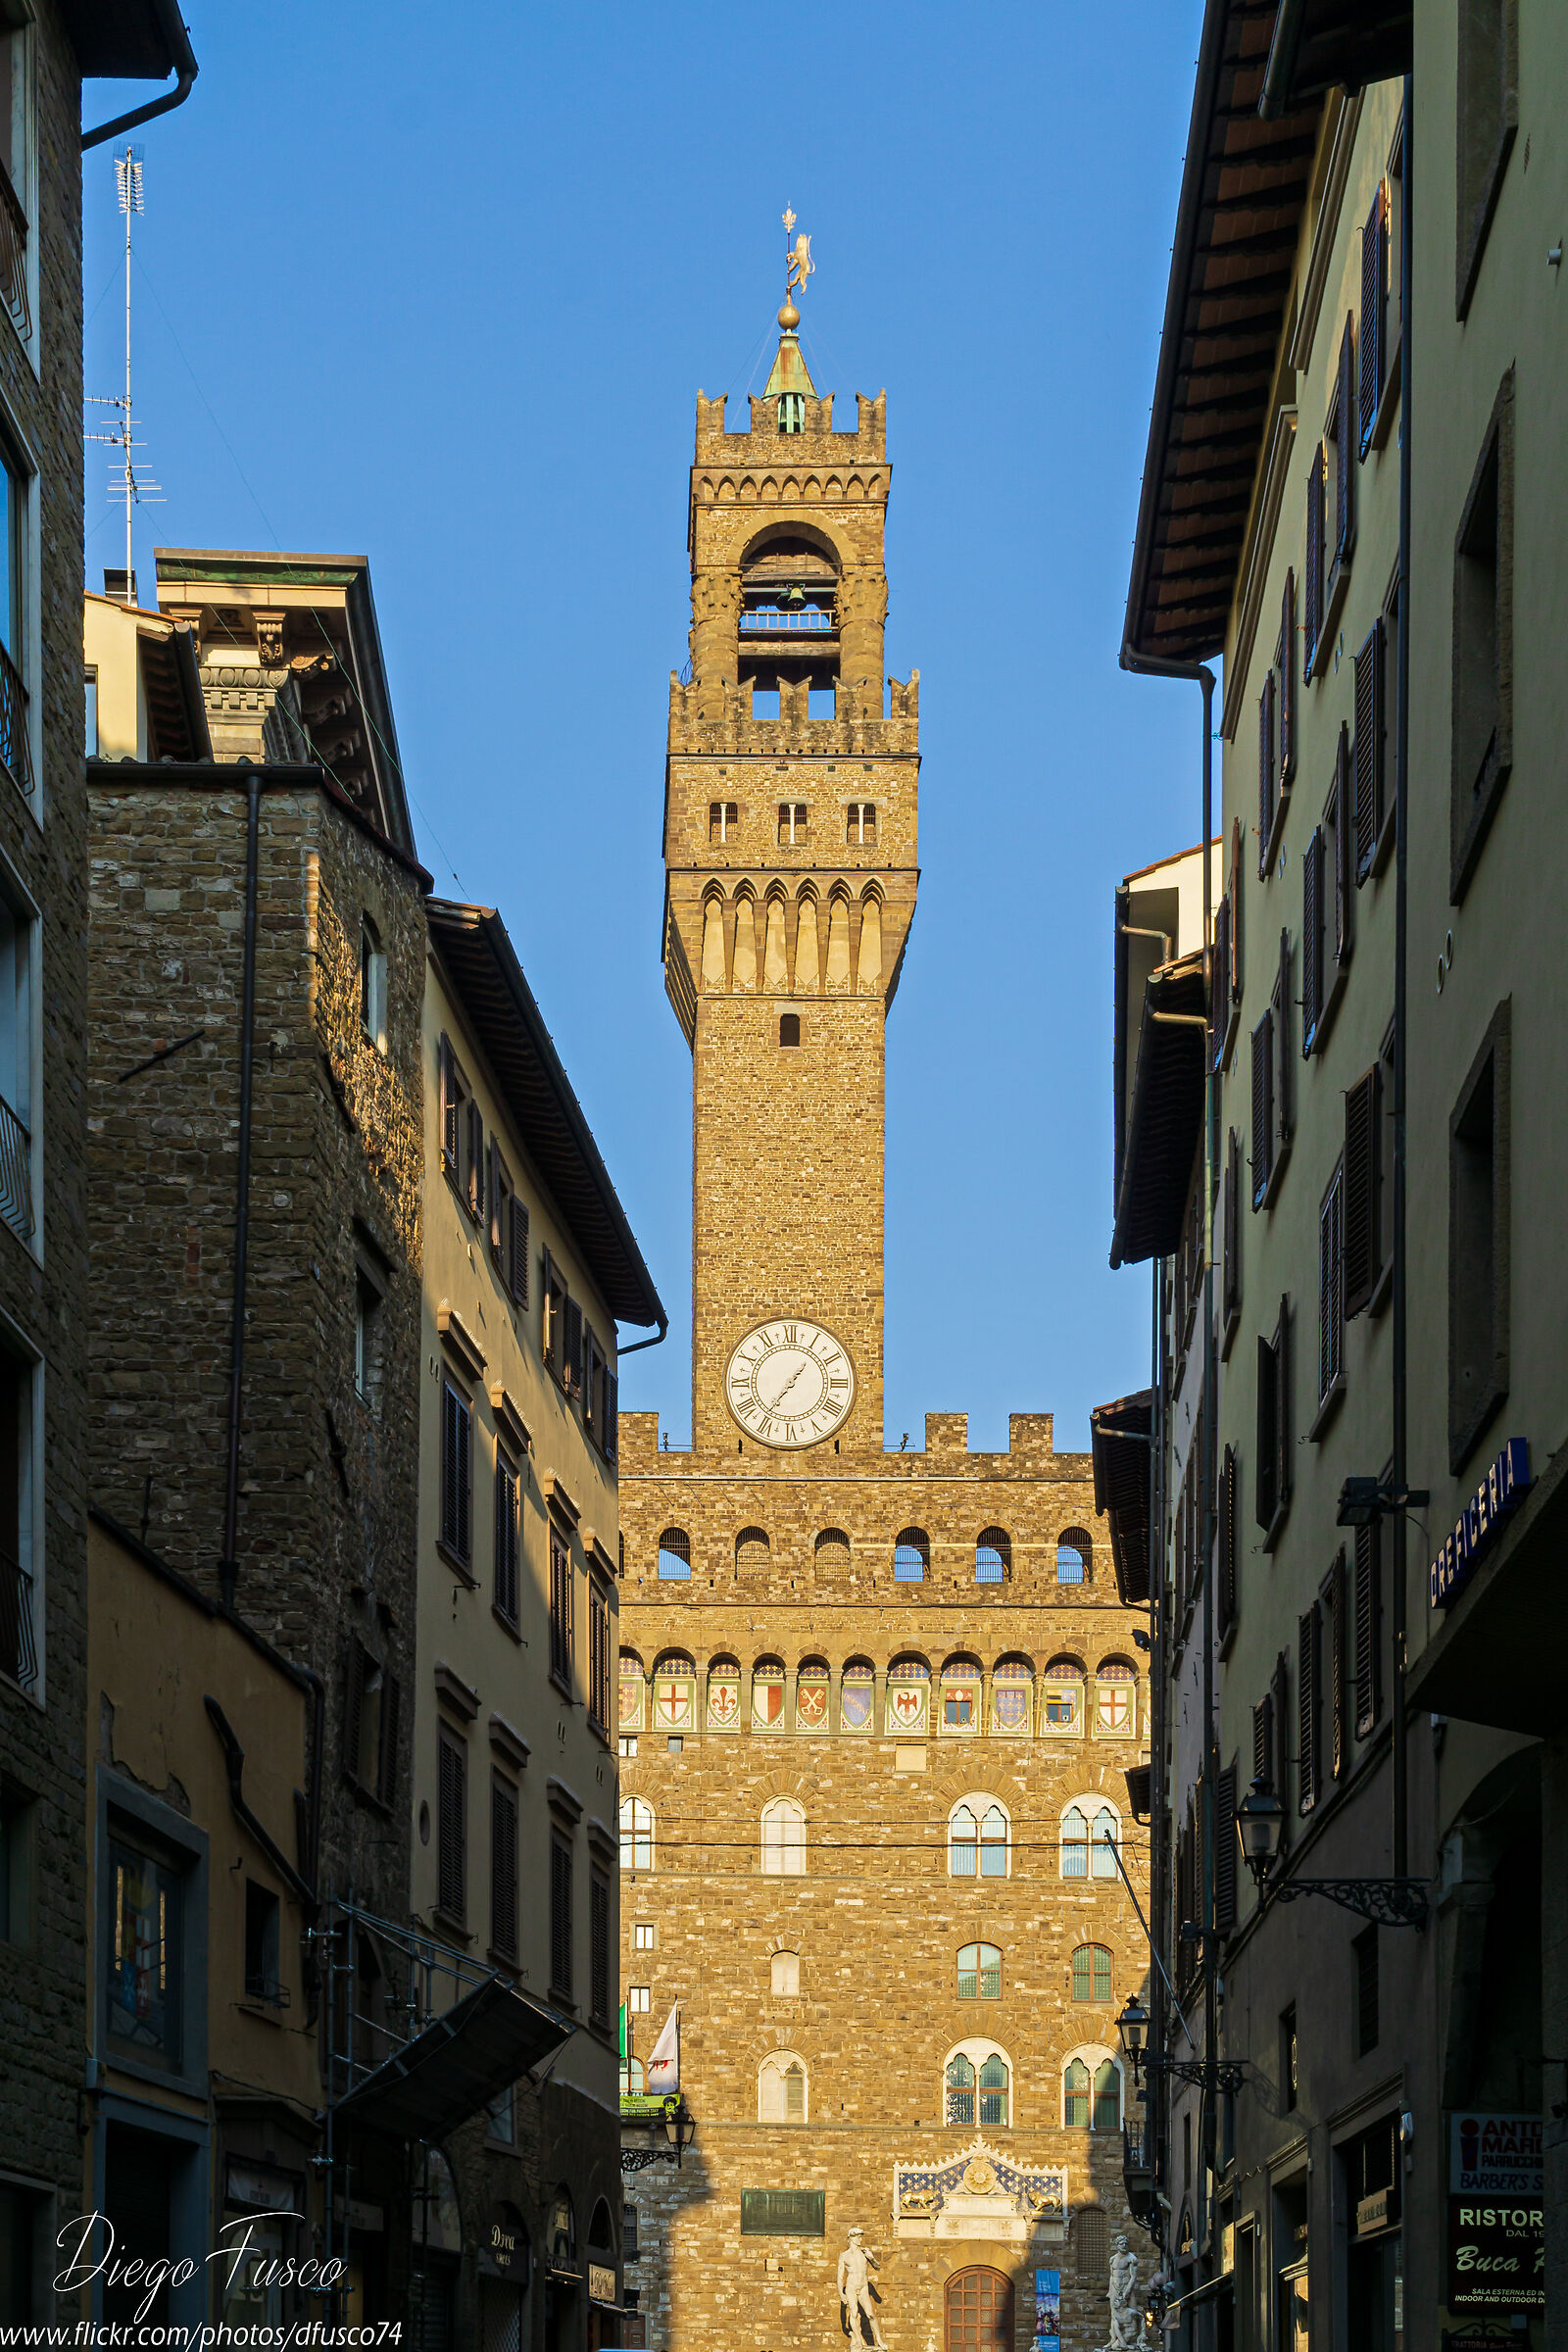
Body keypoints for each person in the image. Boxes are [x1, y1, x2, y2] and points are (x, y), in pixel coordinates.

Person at [838, 2227, 886, 2349]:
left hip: (863, 2286)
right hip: (851, 2286)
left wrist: (871, 2258)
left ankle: (879, 2340)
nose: (861, 2239)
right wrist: (841, 2294)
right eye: (859, 2237)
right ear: (852, 2238)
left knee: (870, 2314)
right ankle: (858, 2340)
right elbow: (840, 2277)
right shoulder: (844, 2256)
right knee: (853, 2313)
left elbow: (878, 2267)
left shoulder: (865, 2253)